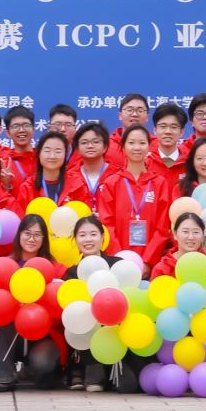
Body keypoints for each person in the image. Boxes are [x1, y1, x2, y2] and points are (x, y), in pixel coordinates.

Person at [0, 215, 62, 392]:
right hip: (10, 334)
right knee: (5, 317)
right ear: (19, 235)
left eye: (37, 235)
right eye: (27, 233)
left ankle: (30, 370)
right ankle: (4, 375)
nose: (31, 239)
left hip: (41, 331)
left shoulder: (54, 267)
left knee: (44, 367)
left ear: (44, 239)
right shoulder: (6, 265)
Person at [98, 125, 171, 269]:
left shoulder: (159, 183)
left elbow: (162, 228)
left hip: (150, 264)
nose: (137, 147)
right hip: (118, 263)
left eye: (142, 143)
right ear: (123, 147)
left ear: (149, 147)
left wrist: (148, 262)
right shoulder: (111, 183)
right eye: (131, 143)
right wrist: (119, 259)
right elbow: (107, 225)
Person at [68, 215, 112, 392]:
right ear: (75, 239)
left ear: (102, 237)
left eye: (93, 234)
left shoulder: (117, 265)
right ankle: (83, 368)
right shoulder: (71, 274)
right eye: (82, 235)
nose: (88, 239)